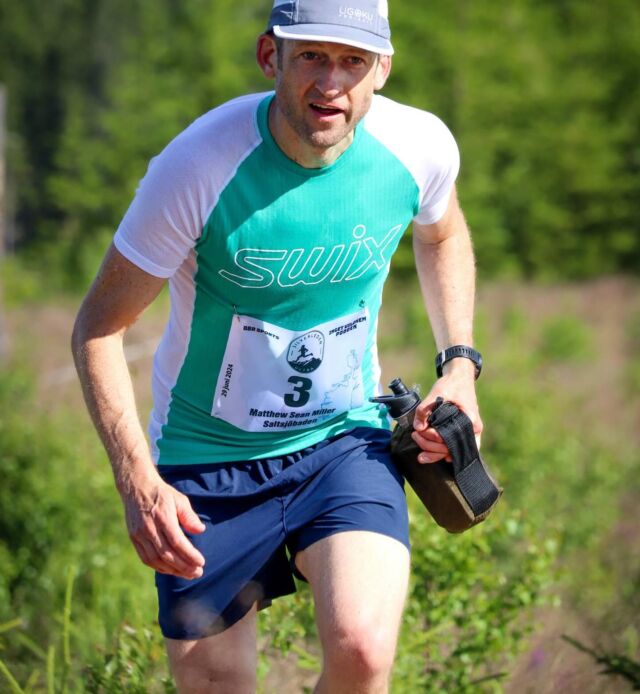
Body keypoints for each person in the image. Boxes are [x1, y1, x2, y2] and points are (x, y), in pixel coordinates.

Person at [72, 0, 483, 691]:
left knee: (362, 649)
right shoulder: (198, 166)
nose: (331, 83)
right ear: (272, 58)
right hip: (207, 467)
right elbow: (98, 329)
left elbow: (443, 234)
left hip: (343, 440)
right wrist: (138, 481)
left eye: (352, 60)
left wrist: (461, 365)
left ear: (382, 68)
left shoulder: (419, 146)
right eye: (312, 57)